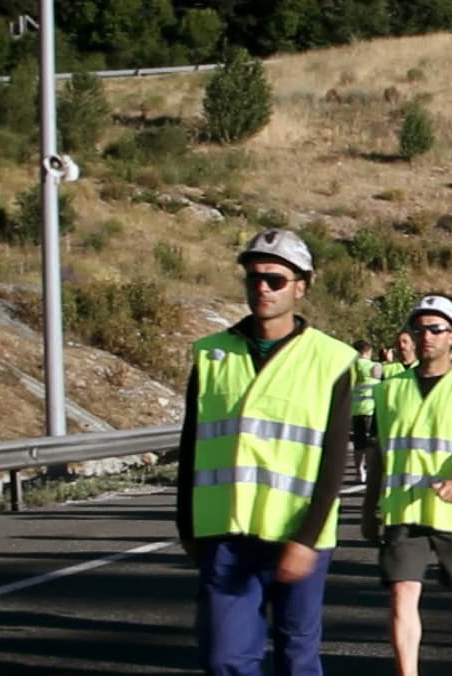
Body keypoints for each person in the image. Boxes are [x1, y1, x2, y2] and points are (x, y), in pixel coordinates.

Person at [176, 229, 356, 675]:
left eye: (275, 280)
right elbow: (191, 445)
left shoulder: (331, 360)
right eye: (254, 278)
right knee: (224, 659)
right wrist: (187, 525)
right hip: (226, 533)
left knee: (296, 657)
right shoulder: (211, 355)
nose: (262, 288)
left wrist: (306, 539)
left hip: (297, 534)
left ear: (301, 286)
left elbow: (333, 461)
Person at [362, 295, 452, 672]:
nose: (426, 336)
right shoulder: (389, 390)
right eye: (419, 329)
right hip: (403, 510)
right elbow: (380, 454)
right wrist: (370, 508)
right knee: (402, 592)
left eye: (436, 329)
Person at [351, 339, 384, 483]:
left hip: (355, 410)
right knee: (370, 444)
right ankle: (369, 471)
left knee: (358, 444)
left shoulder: (350, 368)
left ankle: (359, 470)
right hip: (370, 409)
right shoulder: (374, 366)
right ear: (368, 351)